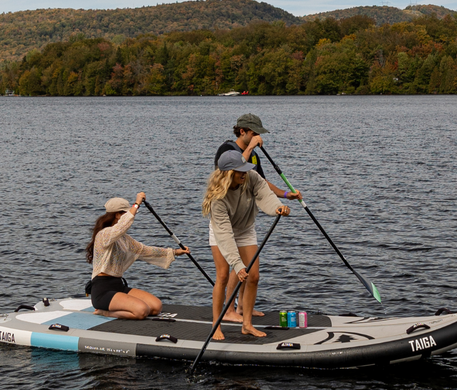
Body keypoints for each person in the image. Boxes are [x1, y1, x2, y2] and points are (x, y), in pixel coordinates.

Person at [213, 113, 301, 321]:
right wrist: (251, 147)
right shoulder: (226, 150)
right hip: (226, 220)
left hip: (245, 219)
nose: (258, 137)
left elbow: (260, 182)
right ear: (242, 131)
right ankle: (229, 310)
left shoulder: (253, 157)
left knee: (249, 268)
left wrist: (286, 195)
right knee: (231, 270)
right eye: (254, 133)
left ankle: (243, 307)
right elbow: (229, 172)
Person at [202, 151, 290, 339]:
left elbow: (265, 195)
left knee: (254, 276)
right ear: (227, 173)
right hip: (221, 231)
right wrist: (237, 263)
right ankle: (216, 325)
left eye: (245, 170)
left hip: (245, 228)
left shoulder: (251, 177)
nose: (245, 174)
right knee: (223, 276)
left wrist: (277, 207)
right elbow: (224, 235)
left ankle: (247, 324)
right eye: (240, 171)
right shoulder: (218, 199)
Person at [86, 192, 191, 319]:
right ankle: (104, 312)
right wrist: (136, 204)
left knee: (156, 307)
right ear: (118, 215)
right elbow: (121, 226)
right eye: (125, 213)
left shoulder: (125, 240)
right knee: (141, 311)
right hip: (102, 290)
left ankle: (117, 307)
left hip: (118, 286)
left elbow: (145, 250)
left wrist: (174, 252)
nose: (129, 216)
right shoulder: (104, 235)